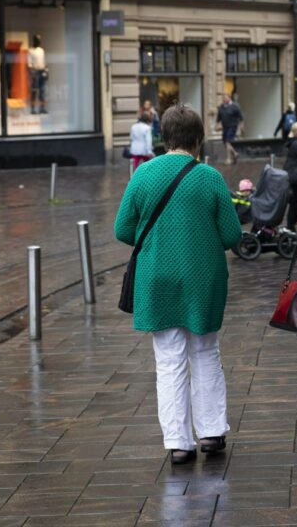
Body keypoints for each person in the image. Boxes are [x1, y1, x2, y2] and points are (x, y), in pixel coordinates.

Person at [114, 104, 241, 465]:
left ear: (163, 137)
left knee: (168, 360)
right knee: (205, 352)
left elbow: (123, 229)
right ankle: (212, 431)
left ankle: (178, 442)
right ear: (199, 139)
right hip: (203, 278)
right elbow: (232, 233)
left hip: (156, 277)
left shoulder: (143, 175)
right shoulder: (210, 178)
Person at [216, 94, 244, 165]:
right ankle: (235, 153)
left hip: (232, 126)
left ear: (229, 98)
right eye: (223, 98)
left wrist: (241, 126)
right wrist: (217, 125)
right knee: (225, 143)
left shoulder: (234, 107)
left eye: (226, 98)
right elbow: (218, 118)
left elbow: (240, 117)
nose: (224, 99)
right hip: (225, 127)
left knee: (228, 142)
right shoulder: (221, 107)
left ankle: (228, 159)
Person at [27, 34, 47, 114]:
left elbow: (44, 62)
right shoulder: (31, 51)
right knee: (34, 92)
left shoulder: (41, 50)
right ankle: (33, 109)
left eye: (40, 40)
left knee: (42, 91)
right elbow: (29, 64)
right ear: (34, 40)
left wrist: (46, 71)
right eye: (37, 40)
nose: (39, 41)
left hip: (41, 71)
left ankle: (42, 108)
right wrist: (32, 73)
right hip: (35, 72)